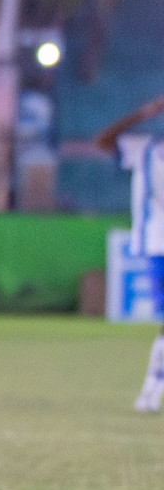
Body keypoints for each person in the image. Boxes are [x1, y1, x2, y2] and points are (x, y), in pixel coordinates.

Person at [96, 93, 164, 412]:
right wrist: (141, 113)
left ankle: (151, 391)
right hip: (157, 246)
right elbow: (103, 141)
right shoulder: (146, 149)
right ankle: (151, 390)